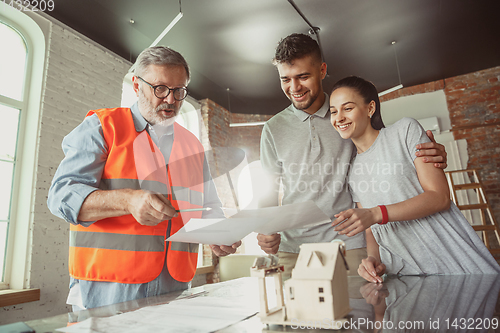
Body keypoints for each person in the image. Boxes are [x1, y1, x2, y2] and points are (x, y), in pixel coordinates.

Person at [47, 46, 240, 309]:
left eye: (179, 91)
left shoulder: (192, 144)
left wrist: (218, 232)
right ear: (137, 85)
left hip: (175, 287)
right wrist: (126, 200)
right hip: (108, 289)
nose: (171, 100)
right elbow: (60, 197)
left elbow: (208, 206)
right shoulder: (103, 128)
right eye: (160, 88)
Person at [257, 33, 448, 279]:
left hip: (350, 245)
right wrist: (266, 230)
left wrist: (429, 154)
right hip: (293, 250)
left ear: (322, 70)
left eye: (303, 76)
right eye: (286, 79)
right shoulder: (273, 129)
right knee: (296, 318)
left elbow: (385, 154)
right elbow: (268, 193)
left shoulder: (348, 117)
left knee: (358, 316)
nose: (294, 88)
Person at [329, 76, 500, 283]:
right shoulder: (352, 171)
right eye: (333, 111)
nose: (339, 117)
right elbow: (371, 228)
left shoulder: (404, 132)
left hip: (453, 262)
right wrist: (372, 258)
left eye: (347, 108)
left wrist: (376, 213)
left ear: (370, 108)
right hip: (407, 274)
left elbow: (439, 197)